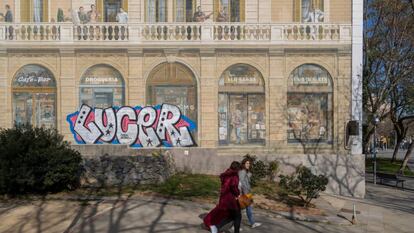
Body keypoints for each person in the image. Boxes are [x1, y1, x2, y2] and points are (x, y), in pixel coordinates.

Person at [204, 161, 242, 233]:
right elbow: (233, 186)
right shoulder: (234, 175)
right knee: (238, 216)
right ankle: (216, 227)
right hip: (231, 200)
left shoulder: (226, 174)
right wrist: (238, 194)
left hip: (224, 198)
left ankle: (216, 227)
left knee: (231, 216)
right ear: (237, 168)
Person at [239, 158, 262, 228]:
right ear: (243, 164)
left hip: (247, 193)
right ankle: (234, 225)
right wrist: (245, 194)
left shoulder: (246, 171)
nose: (248, 165)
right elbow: (241, 183)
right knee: (240, 209)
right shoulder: (242, 171)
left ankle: (252, 223)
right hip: (245, 193)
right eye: (246, 163)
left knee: (248, 208)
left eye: (249, 163)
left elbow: (246, 181)